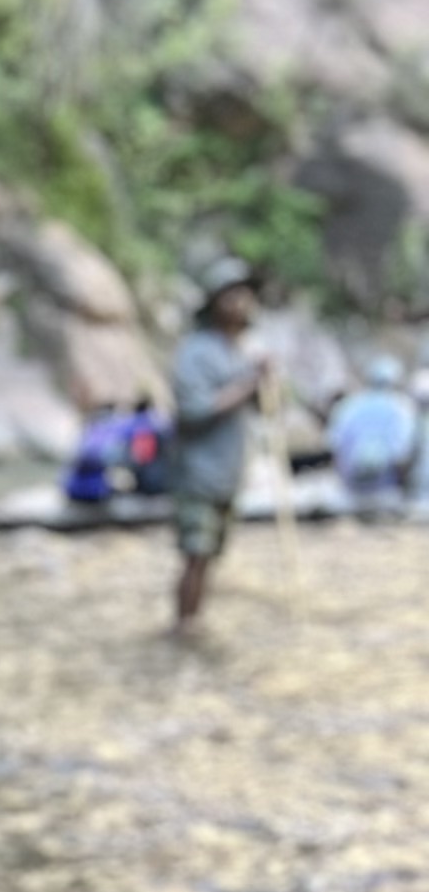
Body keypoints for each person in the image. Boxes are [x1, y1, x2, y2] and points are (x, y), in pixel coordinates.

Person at [168, 261, 271, 630]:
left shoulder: (246, 351)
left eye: (245, 293)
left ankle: (194, 623)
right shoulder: (195, 352)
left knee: (211, 554)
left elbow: (262, 410)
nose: (241, 301)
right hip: (198, 471)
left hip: (230, 471)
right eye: (232, 293)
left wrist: (264, 383)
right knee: (196, 553)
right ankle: (184, 627)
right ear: (214, 301)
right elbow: (193, 411)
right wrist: (248, 384)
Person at [327, 351, 422, 513]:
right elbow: (404, 453)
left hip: (349, 492)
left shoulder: (348, 406)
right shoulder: (402, 407)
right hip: (387, 493)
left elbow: (334, 446)